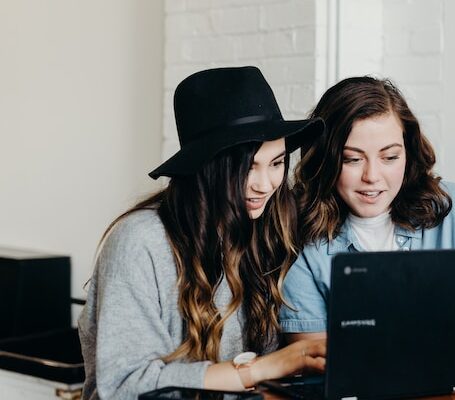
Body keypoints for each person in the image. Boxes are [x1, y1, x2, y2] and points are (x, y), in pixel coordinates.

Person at [78, 66, 327, 399]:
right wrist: (265, 368)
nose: (265, 185)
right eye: (247, 167)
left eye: (277, 163)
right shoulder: (140, 241)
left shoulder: (262, 231)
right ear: (206, 167)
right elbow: (125, 384)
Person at [280, 76, 455, 354]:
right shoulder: (298, 231)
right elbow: (310, 354)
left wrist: (389, 342)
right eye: (352, 159)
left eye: (390, 157)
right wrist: (441, 331)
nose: (372, 176)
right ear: (326, 160)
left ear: (408, 152)